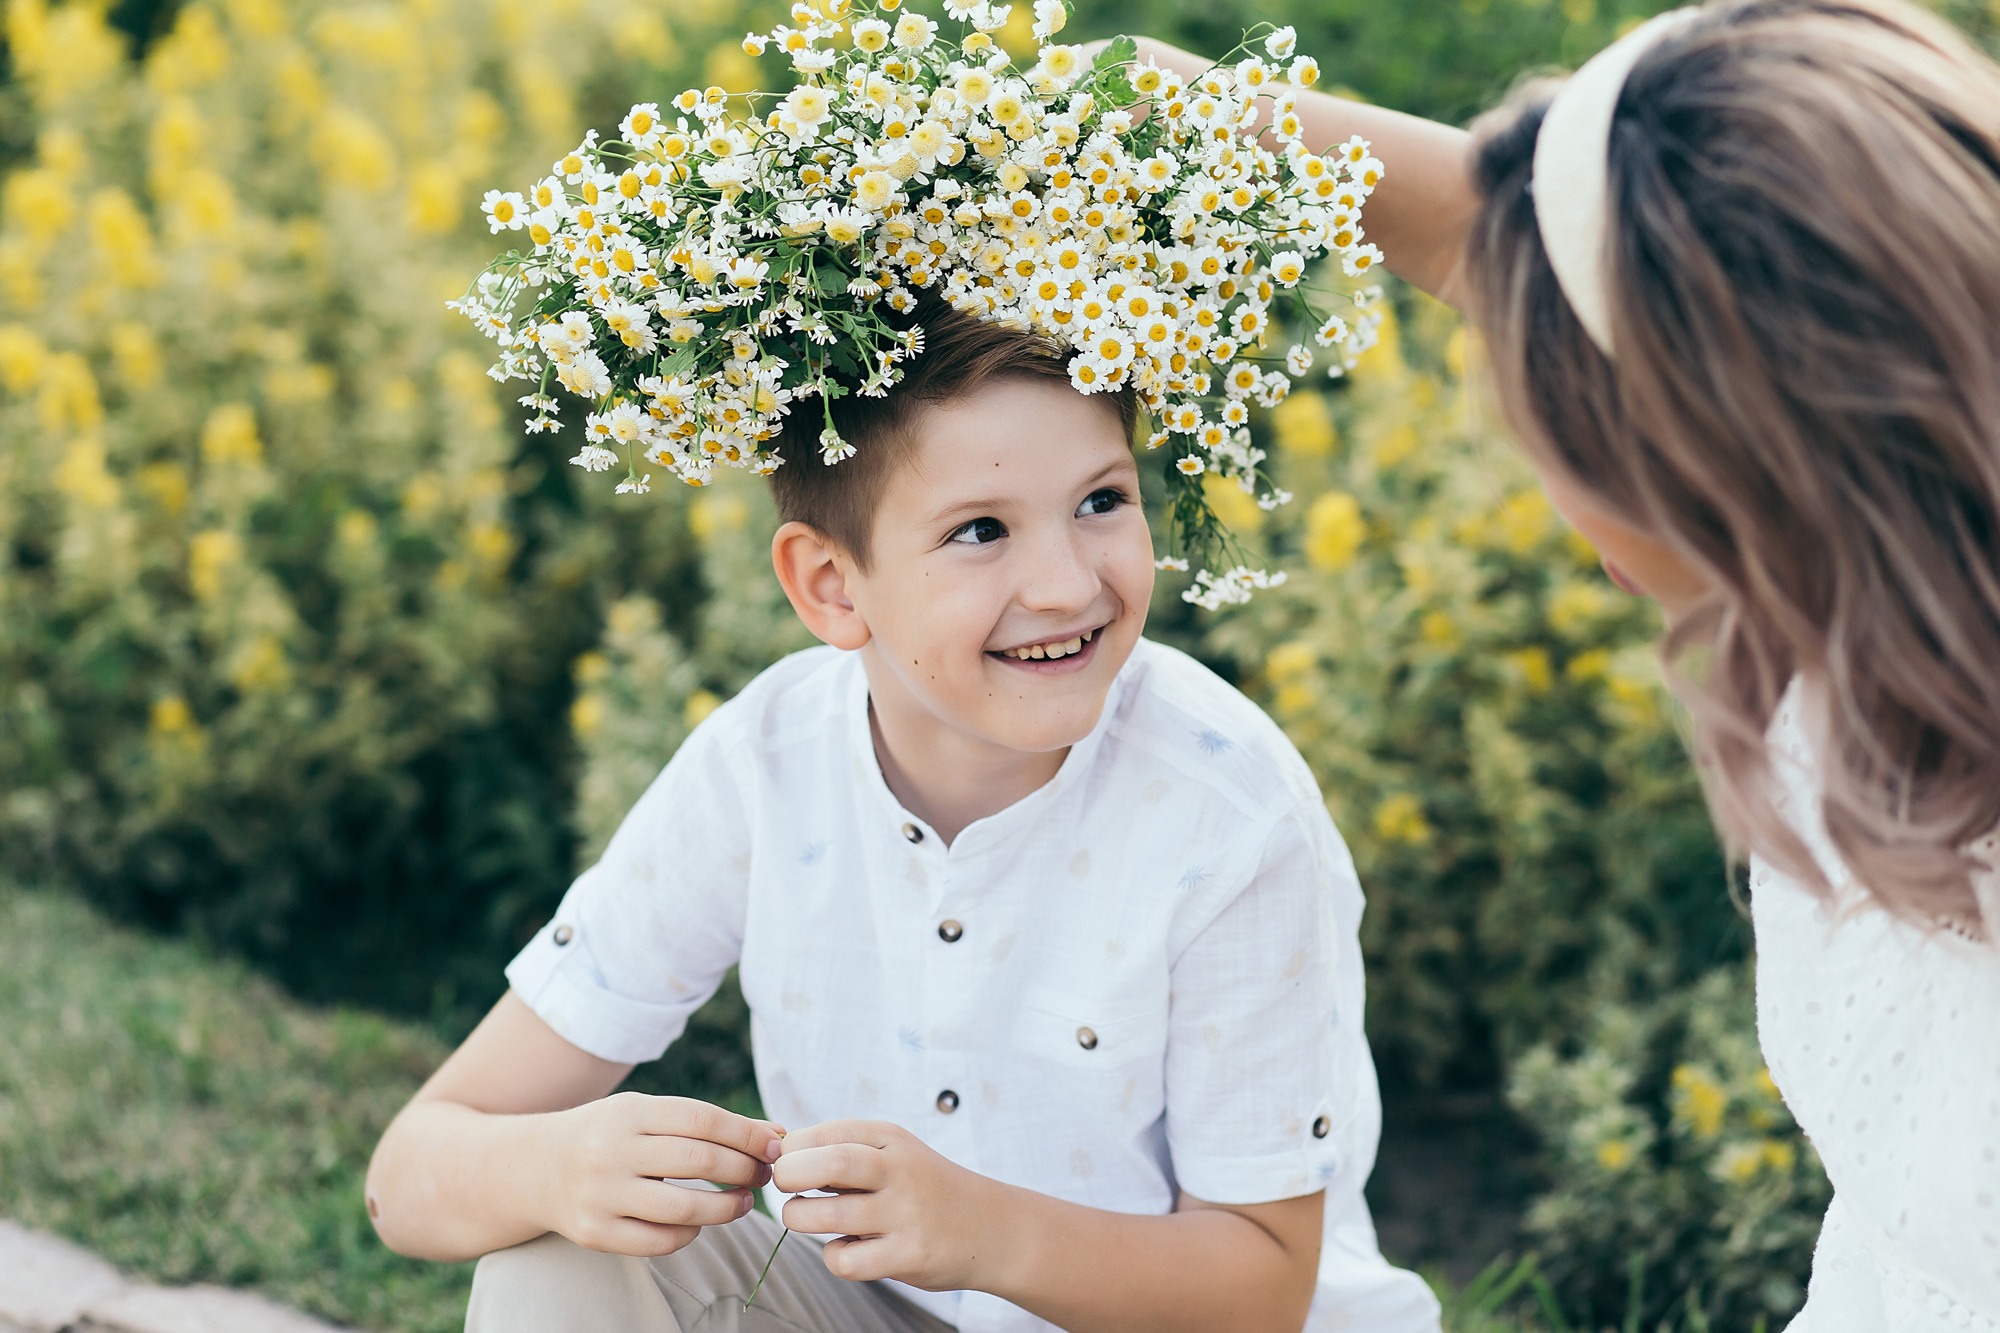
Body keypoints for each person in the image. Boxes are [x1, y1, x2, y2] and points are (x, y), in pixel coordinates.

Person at [1134, 0, 2000, 1321]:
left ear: (1745, 466)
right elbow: (1480, 235)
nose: (1571, 519)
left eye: (1583, 455)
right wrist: (1130, 110)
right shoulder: (1894, 553)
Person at [365, 285, 1444, 1331]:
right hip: (865, 1308)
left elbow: (1258, 1292)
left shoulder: (1228, 811)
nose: (1068, 584)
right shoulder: (763, 764)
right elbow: (409, 1175)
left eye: (1101, 502)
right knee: (562, 1257)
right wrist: (553, 1166)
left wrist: (985, 1231)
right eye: (980, 530)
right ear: (831, 585)